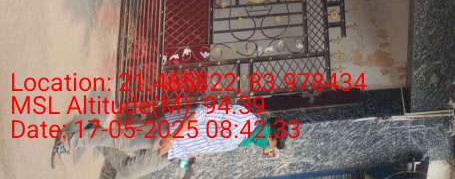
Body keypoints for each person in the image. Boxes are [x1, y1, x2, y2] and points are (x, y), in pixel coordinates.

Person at [50, 101, 286, 178]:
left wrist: (189, 156)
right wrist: (173, 137)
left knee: (130, 170)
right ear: (268, 131)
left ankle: (91, 131)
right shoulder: (240, 119)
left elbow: (207, 139)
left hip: (175, 152)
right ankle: (71, 138)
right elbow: (201, 113)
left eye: (271, 144)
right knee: (121, 140)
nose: (267, 145)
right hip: (168, 133)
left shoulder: (244, 138)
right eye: (271, 141)